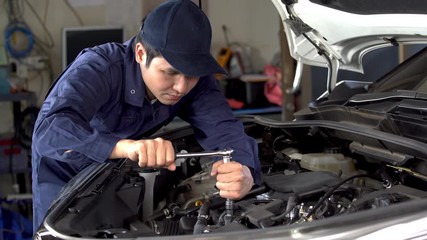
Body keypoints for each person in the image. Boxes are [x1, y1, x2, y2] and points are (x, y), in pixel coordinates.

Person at [31, 0, 261, 231]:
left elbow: (223, 127)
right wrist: (126, 148)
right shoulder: (99, 67)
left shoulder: (196, 83)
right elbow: (50, 131)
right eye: (170, 72)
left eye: (192, 75)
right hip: (64, 172)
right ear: (141, 53)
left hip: (115, 173)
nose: (181, 87)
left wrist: (245, 169)